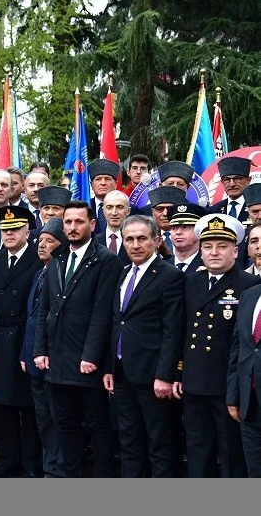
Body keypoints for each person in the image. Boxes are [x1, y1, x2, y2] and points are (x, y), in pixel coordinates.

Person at [33, 200, 123, 478]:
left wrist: (91, 356)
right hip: (56, 360)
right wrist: (40, 349)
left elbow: (102, 313)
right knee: (65, 425)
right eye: (68, 222)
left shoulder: (106, 259)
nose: (72, 227)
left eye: (78, 222)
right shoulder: (58, 257)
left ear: (92, 225)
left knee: (97, 426)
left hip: (88, 364)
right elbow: (45, 309)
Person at [174, 213, 257, 477]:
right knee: (198, 452)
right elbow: (179, 332)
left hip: (228, 385)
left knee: (231, 454)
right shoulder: (189, 282)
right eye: (208, 246)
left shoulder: (250, 285)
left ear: (236, 250)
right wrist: (177, 372)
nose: (214, 252)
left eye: (222, 246)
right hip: (194, 382)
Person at [102, 215, 185, 478]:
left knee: (160, 444)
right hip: (123, 373)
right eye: (129, 239)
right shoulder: (124, 272)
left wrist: (165, 375)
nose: (135, 245)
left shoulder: (170, 276)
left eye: (142, 238)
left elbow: (173, 331)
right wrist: (109, 367)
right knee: (129, 441)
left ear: (157, 240)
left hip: (153, 377)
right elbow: (117, 323)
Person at [0, 206, 43, 478]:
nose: (9, 234)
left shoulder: (38, 259)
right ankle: (8, 461)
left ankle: (32, 464)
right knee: (3, 406)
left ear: (27, 231)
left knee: (29, 407)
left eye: (15, 229)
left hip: (24, 338)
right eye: (5, 230)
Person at [20, 219, 67, 478]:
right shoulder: (40, 273)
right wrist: (25, 353)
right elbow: (32, 319)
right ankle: (49, 467)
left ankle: (57, 469)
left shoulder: (60, 273)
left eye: (50, 241)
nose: (43, 245)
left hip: (52, 361)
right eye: (41, 240)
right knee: (43, 419)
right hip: (34, 359)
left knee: (56, 418)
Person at [228, 228, 261, 477]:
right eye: (256, 243)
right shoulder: (249, 295)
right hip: (250, 404)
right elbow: (239, 349)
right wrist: (233, 396)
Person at [165, 203, 206, 274]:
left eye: (186, 227)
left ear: (199, 231)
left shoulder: (208, 265)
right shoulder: (162, 266)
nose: (178, 232)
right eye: (174, 228)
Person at [148, 185, 187, 257]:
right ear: (152, 212)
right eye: (159, 209)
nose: (165, 214)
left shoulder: (190, 236)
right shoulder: (146, 237)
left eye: (170, 208)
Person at [95, 190, 132, 266]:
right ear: (103, 211)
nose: (114, 212)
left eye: (120, 207)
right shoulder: (93, 242)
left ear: (128, 211)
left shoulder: (135, 241)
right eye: (109, 207)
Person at [210, 157, 251, 222]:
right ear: (222, 182)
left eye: (237, 178)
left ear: (248, 180)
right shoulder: (213, 211)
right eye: (227, 179)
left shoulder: (256, 208)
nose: (232, 184)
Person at [89, 159, 120, 236]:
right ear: (91, 185)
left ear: (116, 184)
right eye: (98, 179)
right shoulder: (85, 206)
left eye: (107, 179)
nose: (103, 183)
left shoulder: (128, 207)